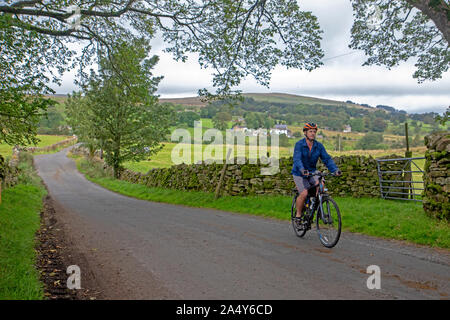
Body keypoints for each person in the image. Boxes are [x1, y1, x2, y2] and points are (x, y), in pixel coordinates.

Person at [292, 123, 341, 221]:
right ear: (305, 133)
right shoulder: (299, 144)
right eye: (310, 131)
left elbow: (326, 159)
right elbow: (297, 159)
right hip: (299, 173)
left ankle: (316, 209)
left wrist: (335, 170)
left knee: (321, 186)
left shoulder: (319, 146)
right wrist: (302, 169)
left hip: (312, 171)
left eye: (314, 132)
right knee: (304, 193)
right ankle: (298, 215)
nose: (313, 133)